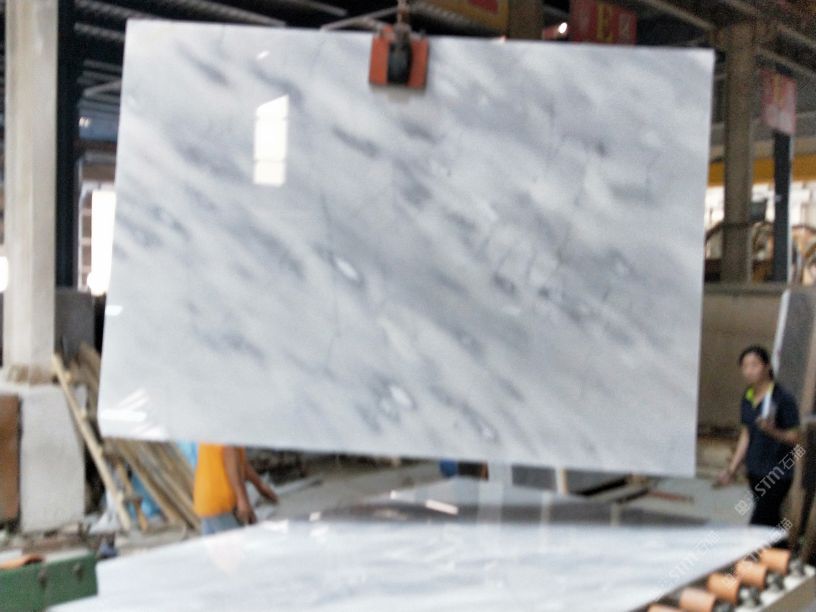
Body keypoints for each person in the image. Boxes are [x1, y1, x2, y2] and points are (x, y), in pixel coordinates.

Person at [717, 345, 801, 526]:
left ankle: (756, 546)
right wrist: (732, 470)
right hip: (754, 470)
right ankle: (780, 544)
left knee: (759, 522)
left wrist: (773, 431)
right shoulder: (747, 397)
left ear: (767, 366)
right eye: (745, 366)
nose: (749, 371)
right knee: (770, 521)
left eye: (754, 365)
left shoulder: (783, 398)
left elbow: (795, 437)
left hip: (777, 472)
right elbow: (746, 435)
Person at [193, 444, 278, 535]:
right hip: (221, 500)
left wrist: (259, 485)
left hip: (206, 498)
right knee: (237, 542)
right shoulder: (228, 437)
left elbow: (240, 462)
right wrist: (243, 500)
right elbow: (231, 462)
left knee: (213, 542)